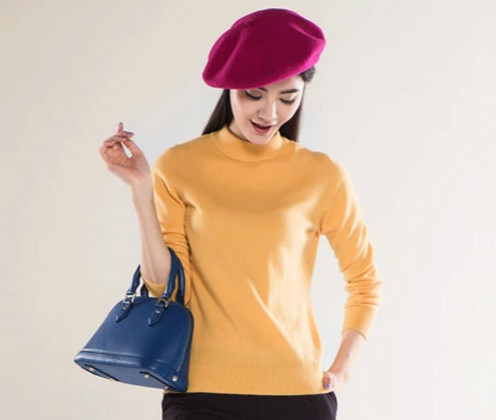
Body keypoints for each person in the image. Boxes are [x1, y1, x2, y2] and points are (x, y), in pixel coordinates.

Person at [99, 7, 383, 420]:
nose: (270, 113)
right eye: (255, 95)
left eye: (288, 97)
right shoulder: (180, 166)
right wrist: (141, 190)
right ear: (230, 88)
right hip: (200, 394)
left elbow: (364, 281)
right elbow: (165, 289)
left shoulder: (322, 175)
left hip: (297, 394)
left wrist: (343, 366)